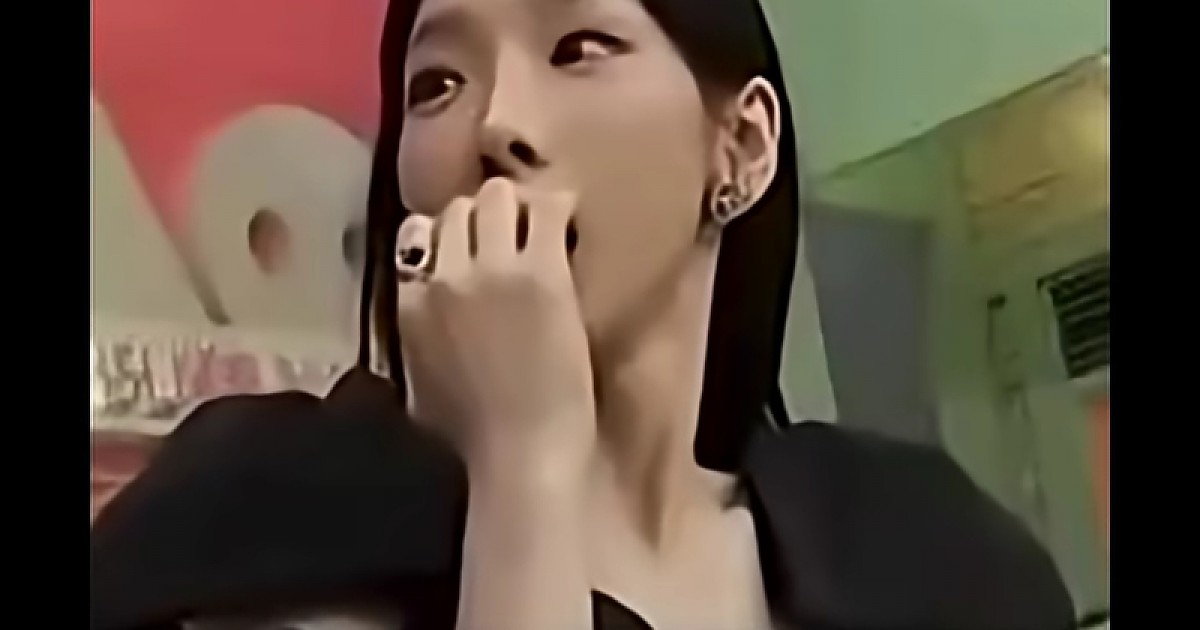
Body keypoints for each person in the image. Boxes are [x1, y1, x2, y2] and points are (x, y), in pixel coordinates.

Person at [90, 0, 1077, 628]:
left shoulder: (925, 552)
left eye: (580, 48)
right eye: (437, 84)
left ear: (741, 147)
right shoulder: (266, 515)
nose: (497, 125)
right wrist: (523, 463)